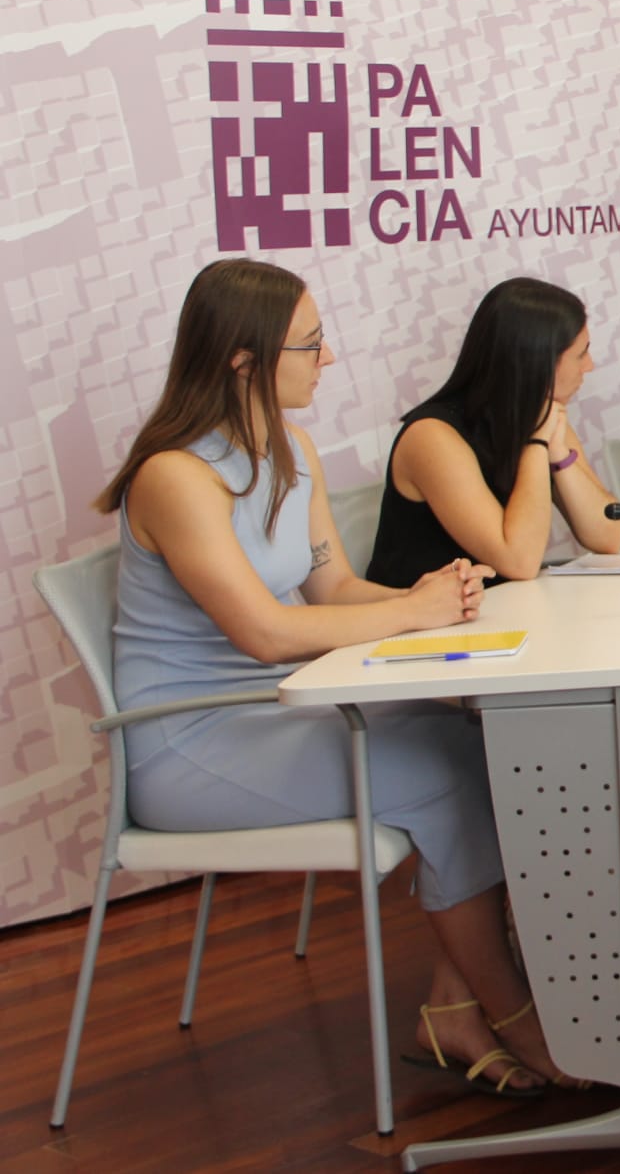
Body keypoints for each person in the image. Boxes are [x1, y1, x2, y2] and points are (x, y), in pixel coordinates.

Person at [95, 258, 573, 1096]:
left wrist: (430, 597)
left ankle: (455, 1009)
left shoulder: (291, 448)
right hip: (189, 740)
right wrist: (413, 613)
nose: (329, 359)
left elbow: (335, 590)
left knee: (473, 745)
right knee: (435, 773)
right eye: (310, 345)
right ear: (244, 360)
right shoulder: (175, 475)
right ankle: (520, 1021)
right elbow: (267, 631)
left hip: (271, 713)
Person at [366, 277, 620, 587]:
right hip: (423, 627)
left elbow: (608, 536)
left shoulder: (542, 415)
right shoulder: (432, 437)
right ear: (538, 362)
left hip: (496, 614)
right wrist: (537, 443)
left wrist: (558, 454)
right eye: (581, 354)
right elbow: (519, 561)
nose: (590, 366)